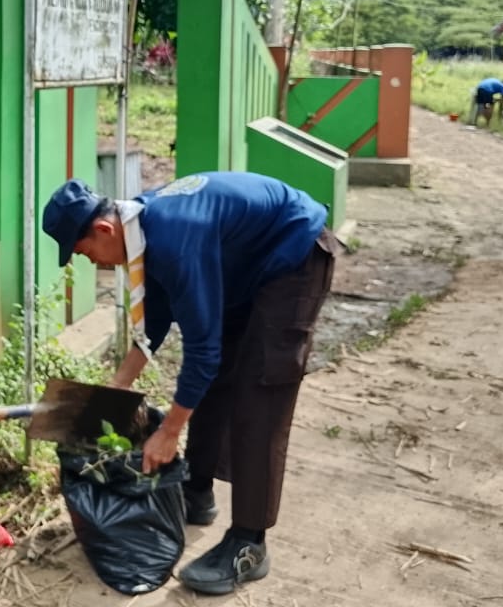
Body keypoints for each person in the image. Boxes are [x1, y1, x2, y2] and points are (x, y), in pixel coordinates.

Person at [41, 172, 336, 596]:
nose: (93, 262)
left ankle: (249, 544)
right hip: (249, 267)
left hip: (294, 256)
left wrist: (169, 431)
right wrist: (118, 386)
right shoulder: (144, 230)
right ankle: (196, 491)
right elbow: (156, 319)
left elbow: (202, 351)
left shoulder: (174, 238)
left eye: (85, 253)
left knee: (259, 398)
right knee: (214, 384)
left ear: (104, 229)